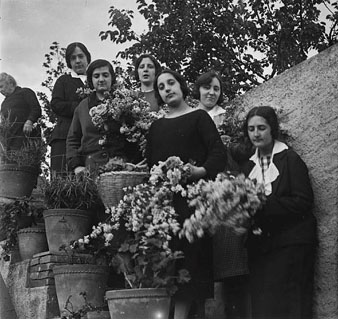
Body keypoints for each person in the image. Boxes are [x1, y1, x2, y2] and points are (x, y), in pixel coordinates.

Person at [145, 69, 227, 319]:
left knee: (191, 263)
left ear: (181, 87)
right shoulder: (156, 127)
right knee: (168, 262)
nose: (167, 89)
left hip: (193, 202)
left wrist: (199, 170)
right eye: (161, 87)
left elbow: (218, 153)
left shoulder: (199, 117)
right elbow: (151, 165)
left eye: (171, 83)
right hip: (166, 205)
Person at [241, 106, 317, 319]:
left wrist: (264, 204)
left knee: (292, 306)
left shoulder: (289, 158)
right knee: (265, 307)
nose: (256, 133)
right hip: (263, 247)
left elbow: (303, 201)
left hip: (292, 244)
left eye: (261, 128)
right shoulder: (248, 167)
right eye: (251, 129)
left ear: (272, 129)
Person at [193, 70, 250, 319]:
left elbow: (242, 150)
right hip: (198, 188)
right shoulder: (190, 116)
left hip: (224, 187)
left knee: (229, 254)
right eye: (207, 88)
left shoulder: (226, 117)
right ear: (198, 90)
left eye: (216, 89)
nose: (212, 93)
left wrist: (226, 143)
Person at [66, 59, 138, 175]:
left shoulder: (125, 103)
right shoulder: (82, 107)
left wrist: (132, 162)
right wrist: (76, 166)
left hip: (122, 168)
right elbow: (73, 139)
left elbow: (135, 135)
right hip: (90, 168)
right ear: (91, 80)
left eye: (105, 75)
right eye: (96, 76)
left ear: (112, 78)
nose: (101, 79)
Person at [50, 42, 91, 174]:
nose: (78, 61)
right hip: (64, 135)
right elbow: (56, 104)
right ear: (69, 62)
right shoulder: (63, 80)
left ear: (87, 58)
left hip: (89, 137)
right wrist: (80, 108)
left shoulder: (94, 80)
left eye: (80, 56)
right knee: (62, 179)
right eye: (73, 58)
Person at [0, 72, 41, 150]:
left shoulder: (25, 92)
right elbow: (4, 122)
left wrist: (30, 121)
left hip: (26, 136)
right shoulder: (4, 103)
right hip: (9, 141)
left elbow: (36, 109)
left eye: (1, 86)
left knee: (26, 159)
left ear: (11, 83)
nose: (0, 90)